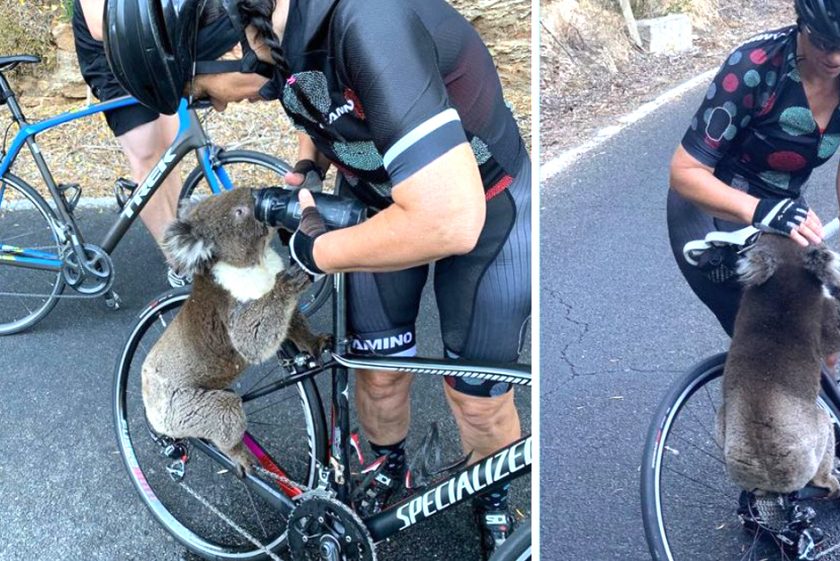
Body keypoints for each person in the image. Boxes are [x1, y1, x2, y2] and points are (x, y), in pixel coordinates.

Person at [103, 0, 531, 556]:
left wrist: (315, 251)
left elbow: (448, 219)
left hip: (487, 212)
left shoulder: (367, 23)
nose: (217, 109)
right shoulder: (277, 37)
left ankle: (491, 493)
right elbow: (317, 99)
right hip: (375, 201)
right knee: (377, 374)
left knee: (477, 401)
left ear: (224, 43)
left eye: (201, 93)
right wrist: (309, 160)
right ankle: (384, 465)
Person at [668, 0, 840, 352]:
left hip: (782, 211)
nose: (836, 58)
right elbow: (685, 172)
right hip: (711, 206)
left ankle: (821, 407)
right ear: (801, 21)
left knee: (829, 333)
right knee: (780, 343)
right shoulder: (753, 67)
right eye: (823, 41)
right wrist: (760, 211)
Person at [73, 0, 187, 286]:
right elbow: (100, 27)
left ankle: (178, 236)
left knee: (170, 150)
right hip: (111, 60)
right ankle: (178, 262)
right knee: (146, 155)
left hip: (146, 53)